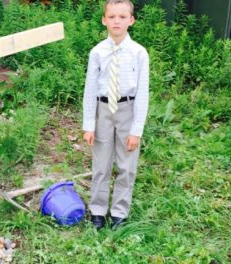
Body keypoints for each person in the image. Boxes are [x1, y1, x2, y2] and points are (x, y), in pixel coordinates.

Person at [82, 0, 149, 229]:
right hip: (103, 110)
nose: (116, 21)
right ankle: (98, 211)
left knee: (126, 165)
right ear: (104, 20)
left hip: (127, 110)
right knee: (101, 164)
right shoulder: (97, 52)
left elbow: (142, 93)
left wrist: (136, 130)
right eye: (112, 17)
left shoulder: (139, 53)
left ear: (131, 20)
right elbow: (90, 89)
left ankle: (120, 212)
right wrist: (89, 124)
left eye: (122, 17)